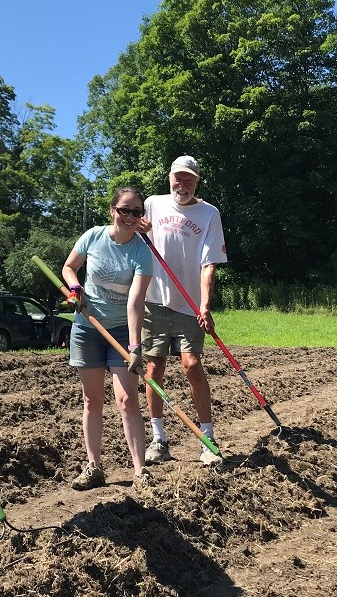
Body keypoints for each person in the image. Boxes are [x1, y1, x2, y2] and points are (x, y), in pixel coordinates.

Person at [62, 186, 154, 492]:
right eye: (124, 210)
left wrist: (135, 346)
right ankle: (94, 467)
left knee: (127, 399)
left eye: (136, 212)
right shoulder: (93, 236)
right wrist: (76, 288)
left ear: (141, 217)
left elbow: (135, 302)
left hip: (119, 331)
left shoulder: (141, 251)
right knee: (92, 400)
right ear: (112, 210)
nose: (129, 216)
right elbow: (69, 267)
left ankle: (140, 471)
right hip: (87, 326)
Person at [139, 155, 227, 466]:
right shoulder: (152, 203)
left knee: (191, 365)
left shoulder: (209, 214)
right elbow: (132, 234)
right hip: (154, 300)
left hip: (189, 304)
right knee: (154, 370)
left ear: (197, 182)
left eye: (189, 179)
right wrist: (138, 228)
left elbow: (209, 264)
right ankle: (158, 439)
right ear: (170, 178)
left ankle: (208, 437)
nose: (183, 184)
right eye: (178, 177)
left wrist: (204, 304)